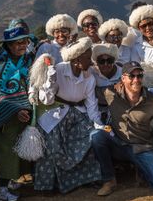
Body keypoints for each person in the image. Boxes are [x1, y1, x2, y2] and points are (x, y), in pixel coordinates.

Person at [30, 37, 102, 193]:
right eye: (88, 57)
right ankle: (47, 185)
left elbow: (91, 104)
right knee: (51, 145)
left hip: (77, 114)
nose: (91, 61)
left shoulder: (89, 77)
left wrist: (98, 124)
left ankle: (86, 178)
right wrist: (50, 78)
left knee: (90, 137)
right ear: (76, 60)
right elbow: (47, 100)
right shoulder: (59, 70)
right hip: (55, 114)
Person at [92, 61, 153, 196]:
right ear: (123, 78)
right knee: (97, 136)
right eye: (131, 76)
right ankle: (109, 180)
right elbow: (85, 91)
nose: (136, 80)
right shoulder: (110, 93)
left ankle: (142, 169)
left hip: (143, 147)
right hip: (118, 144)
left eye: (139, 76)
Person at [0, 26, 34, 201]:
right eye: (16, 43)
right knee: (7, 151)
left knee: (22, 151)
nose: (21, 46)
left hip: (28, 113)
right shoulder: (0, 64)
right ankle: (2, 190)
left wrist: (27, 108)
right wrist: (15, 110)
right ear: (8, 46)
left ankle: (13, 182)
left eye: (24, 42)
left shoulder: (28, 60)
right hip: (6, 116)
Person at [91, 43, 121, 123]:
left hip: (119, 108)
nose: (106, 64)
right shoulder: (91, 73)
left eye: (109, 61)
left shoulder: (123, 72)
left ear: (114, 61)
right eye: (101, 61)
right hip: (98, 109)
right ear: (96, 62)